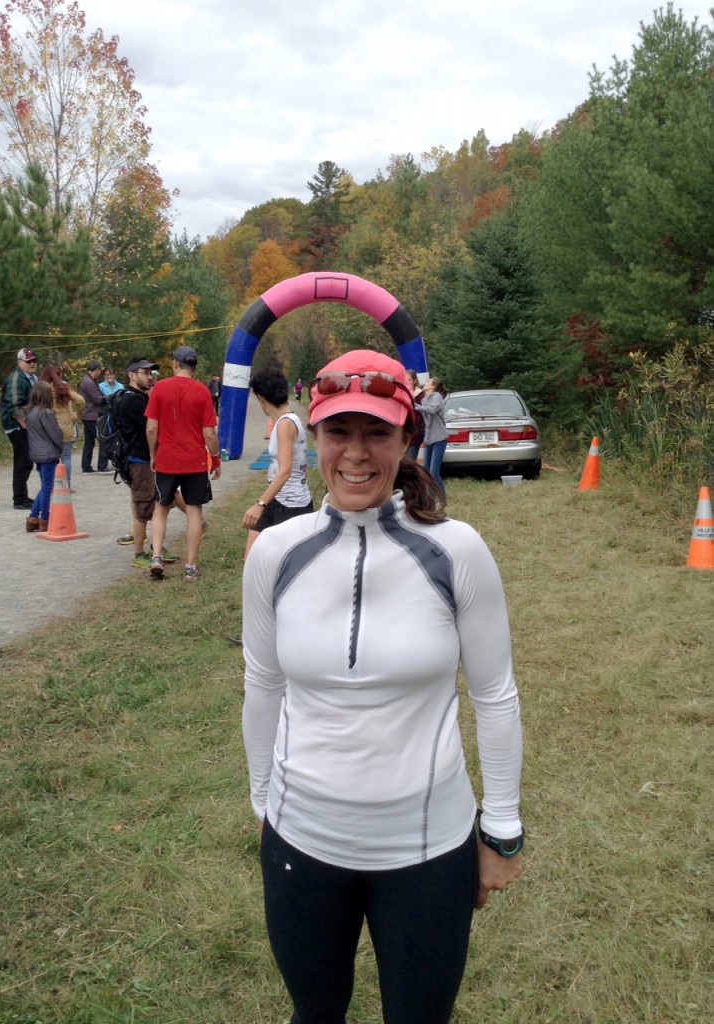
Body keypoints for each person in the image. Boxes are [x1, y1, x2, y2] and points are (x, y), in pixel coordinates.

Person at [242, 349, 523, 1024]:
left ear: (407, 437)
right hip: (301, 841)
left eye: (378, 432)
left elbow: (496, 695)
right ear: (315, 438)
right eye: (340, 431)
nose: (357, 453)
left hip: (429, 849)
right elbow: (262, 683)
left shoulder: (456, 549)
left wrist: (503, 830)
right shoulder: (276, 553)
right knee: (314, 1015)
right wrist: (261, 803)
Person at [145, 345, 221, 580]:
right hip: (194, 461)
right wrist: (215, 460)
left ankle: (157, 556)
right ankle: (190, 566)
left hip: (167, 459)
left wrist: (153, 454)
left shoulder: (159, 388)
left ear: (175, 364)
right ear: (194, 366)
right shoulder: (202, 391)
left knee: (161, 507)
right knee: (194, 510)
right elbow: (209, 432)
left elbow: (151, 427)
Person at [113, 355, 178, 571]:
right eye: (145, 373)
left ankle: (155, 548)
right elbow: (153, 425)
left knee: (159, 504)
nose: (150, 377)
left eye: (151, 373)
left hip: (147, 460)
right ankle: (139, 554)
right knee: (142, 509)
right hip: (138, 461)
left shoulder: (140, 397)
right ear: (132, 375)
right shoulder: (131, 400)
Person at [241, 367, 314, 559]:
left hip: (291, 506)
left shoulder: (285, 424)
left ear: (261, 399)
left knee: (285, 567)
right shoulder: (287, 420)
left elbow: (285, 470)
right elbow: (302, 465)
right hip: (277, 499)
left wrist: (259, 504)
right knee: (251, 558)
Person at [0, 347, 38, 508]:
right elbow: (14, 406)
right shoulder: (16, 378)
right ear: (19, 362)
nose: (32, 363)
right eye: (28, 361)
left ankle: (22, 496)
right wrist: (25, 427)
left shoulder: (31, 378)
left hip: (26, 424)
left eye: (34, 360)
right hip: (17, 426)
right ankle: (19, 498)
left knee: (26, 461)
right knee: (23, 461)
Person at [23, 381, 63, 532]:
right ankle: (44, 518)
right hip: (48, 453)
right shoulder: (46, 413)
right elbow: (55, 433)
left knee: (45, 485)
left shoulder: (31, 412)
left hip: (37, 453)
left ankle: (33, 517)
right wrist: (61, 447)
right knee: (48, 487)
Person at [38, 364, 85, 492]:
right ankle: (66, 486)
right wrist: (77, 414)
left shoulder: (42, 390)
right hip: (65, 426)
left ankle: (51, 485)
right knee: (66, 457)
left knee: (51, 459)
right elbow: (81, 400)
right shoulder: (63, 388)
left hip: (49, 427)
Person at [415, 376, 449, 493]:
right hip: (429, 439)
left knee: (434, 472)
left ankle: (442, 498)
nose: (426, 383)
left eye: (428, 382)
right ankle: (430, 497)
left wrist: (414, 406)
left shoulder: (437, 397)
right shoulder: (424, 399)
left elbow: (431, 409)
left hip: (439, 438)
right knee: (426, 472)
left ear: (433, 386)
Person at [78, 358, 110, 473]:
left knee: (89, 441)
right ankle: (102, 466)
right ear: (96, 370)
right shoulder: (88, 382)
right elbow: (97, 399)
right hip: (92, 416)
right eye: (99, 371)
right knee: (102, 439)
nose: (99, 373)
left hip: (87, 415)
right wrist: (109, 398)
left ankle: (86, 466)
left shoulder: (88, 380)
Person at [405, 368, 426, 461]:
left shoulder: (420, 396)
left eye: (409, 380)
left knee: (409, 462)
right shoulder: (403, 394)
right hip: (403, 436)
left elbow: (421, 417)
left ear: (414, 381)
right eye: (405, 380)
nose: (407, 382)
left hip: (414, 436)